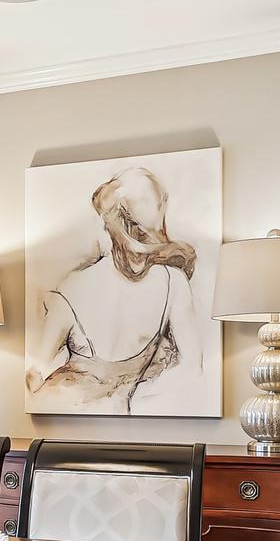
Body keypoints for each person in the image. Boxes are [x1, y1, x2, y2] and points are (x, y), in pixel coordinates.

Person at [26, 165, 203, 412]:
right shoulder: (173, 282)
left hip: (66, 416)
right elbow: (192, 369)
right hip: (70, 419)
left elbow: (34, 372)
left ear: (107, 224)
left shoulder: (73, 286)